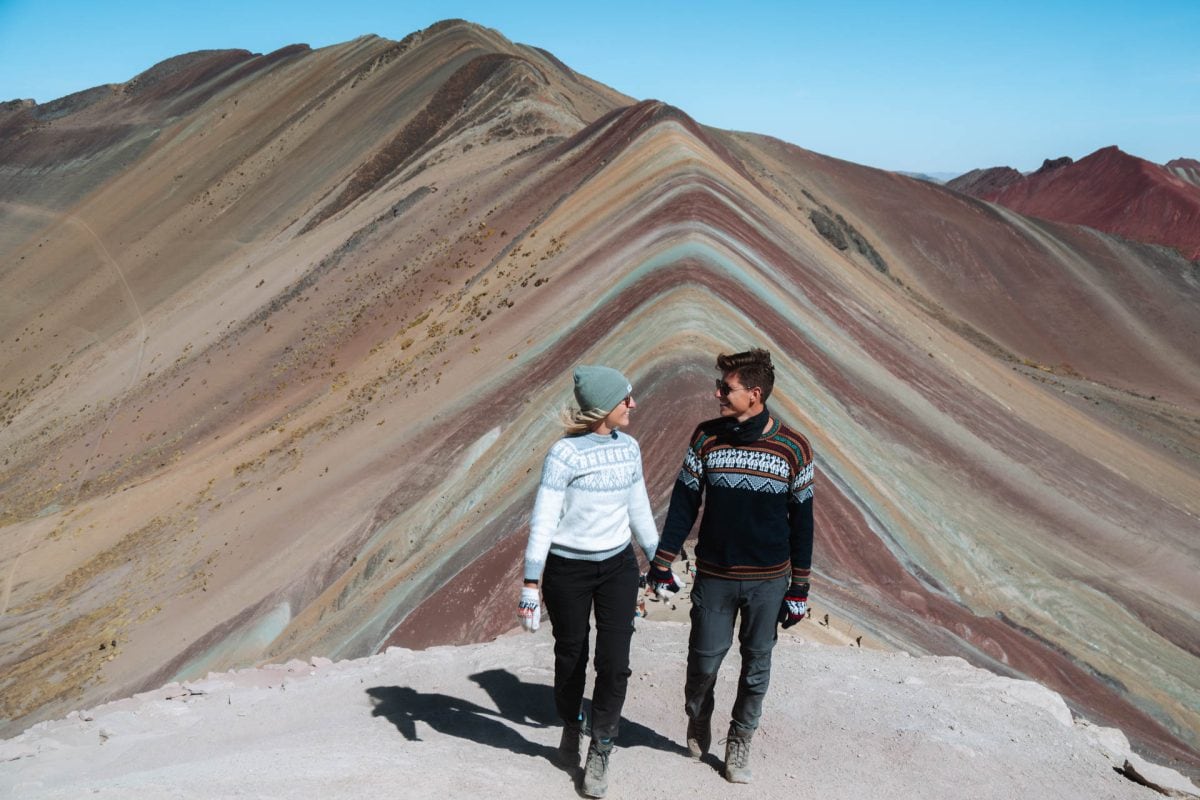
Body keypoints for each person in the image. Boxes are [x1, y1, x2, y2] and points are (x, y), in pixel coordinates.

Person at [647, 347, 814, 784]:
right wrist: (662, 562)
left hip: (768, 582)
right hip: (715, 577)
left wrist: (799, 589)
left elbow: (803, 523)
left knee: (757, 665)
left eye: (726, 387)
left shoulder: (793, 448)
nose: (717, 393)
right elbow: (684, 506)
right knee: (703, 663)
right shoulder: (706, 438)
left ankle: (740, 740)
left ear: (754, 394)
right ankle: (698, 716)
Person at [518, 365, 659, 798]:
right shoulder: (565, 455)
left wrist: (660, 561)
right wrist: (530, 583)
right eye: (625, 398)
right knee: (571, 657)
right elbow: (544, 519)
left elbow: (639, 509)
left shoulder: (629, 448)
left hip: (617, 567)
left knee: (615, 662)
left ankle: (602, 745)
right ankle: (571, 723)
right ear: (603, 406)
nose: (633, 405)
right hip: (567, 570)